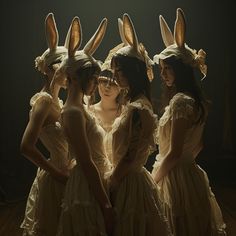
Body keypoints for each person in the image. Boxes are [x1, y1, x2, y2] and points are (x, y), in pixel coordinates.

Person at [151, 8, 227, 236]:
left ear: (180, 70)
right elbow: (199, 145)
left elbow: (173, 152)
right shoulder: (196, 100)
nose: (163, 74)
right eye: (161, 69)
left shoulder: (180, 102)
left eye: (167, 69)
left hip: (174, 176)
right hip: (189, 173)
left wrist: (152, 181)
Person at [108, 13, 171, 236]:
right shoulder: (134, 103)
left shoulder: (137, 108)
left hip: (128, 183)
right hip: (127, 178)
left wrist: (112, 181)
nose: (114, 77)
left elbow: (131, 155)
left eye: (119, 71)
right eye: (113, 71)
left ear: (133, 72)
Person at [54, 17, 115, 236]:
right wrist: (106, 204)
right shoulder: (72, 112)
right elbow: (86, 160)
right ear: (77, 78)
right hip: (87, 187)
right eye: (93, 79)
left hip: (97, 180)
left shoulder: (81, 106)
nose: (96, 84)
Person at [20, 13, 73, 235]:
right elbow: (26, 146)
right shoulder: (43, 102)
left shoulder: (59, 101)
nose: (69, 74)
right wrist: (57, 174)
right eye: (65, 69)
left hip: (69, 173)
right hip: (55, 177)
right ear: (52, 69)